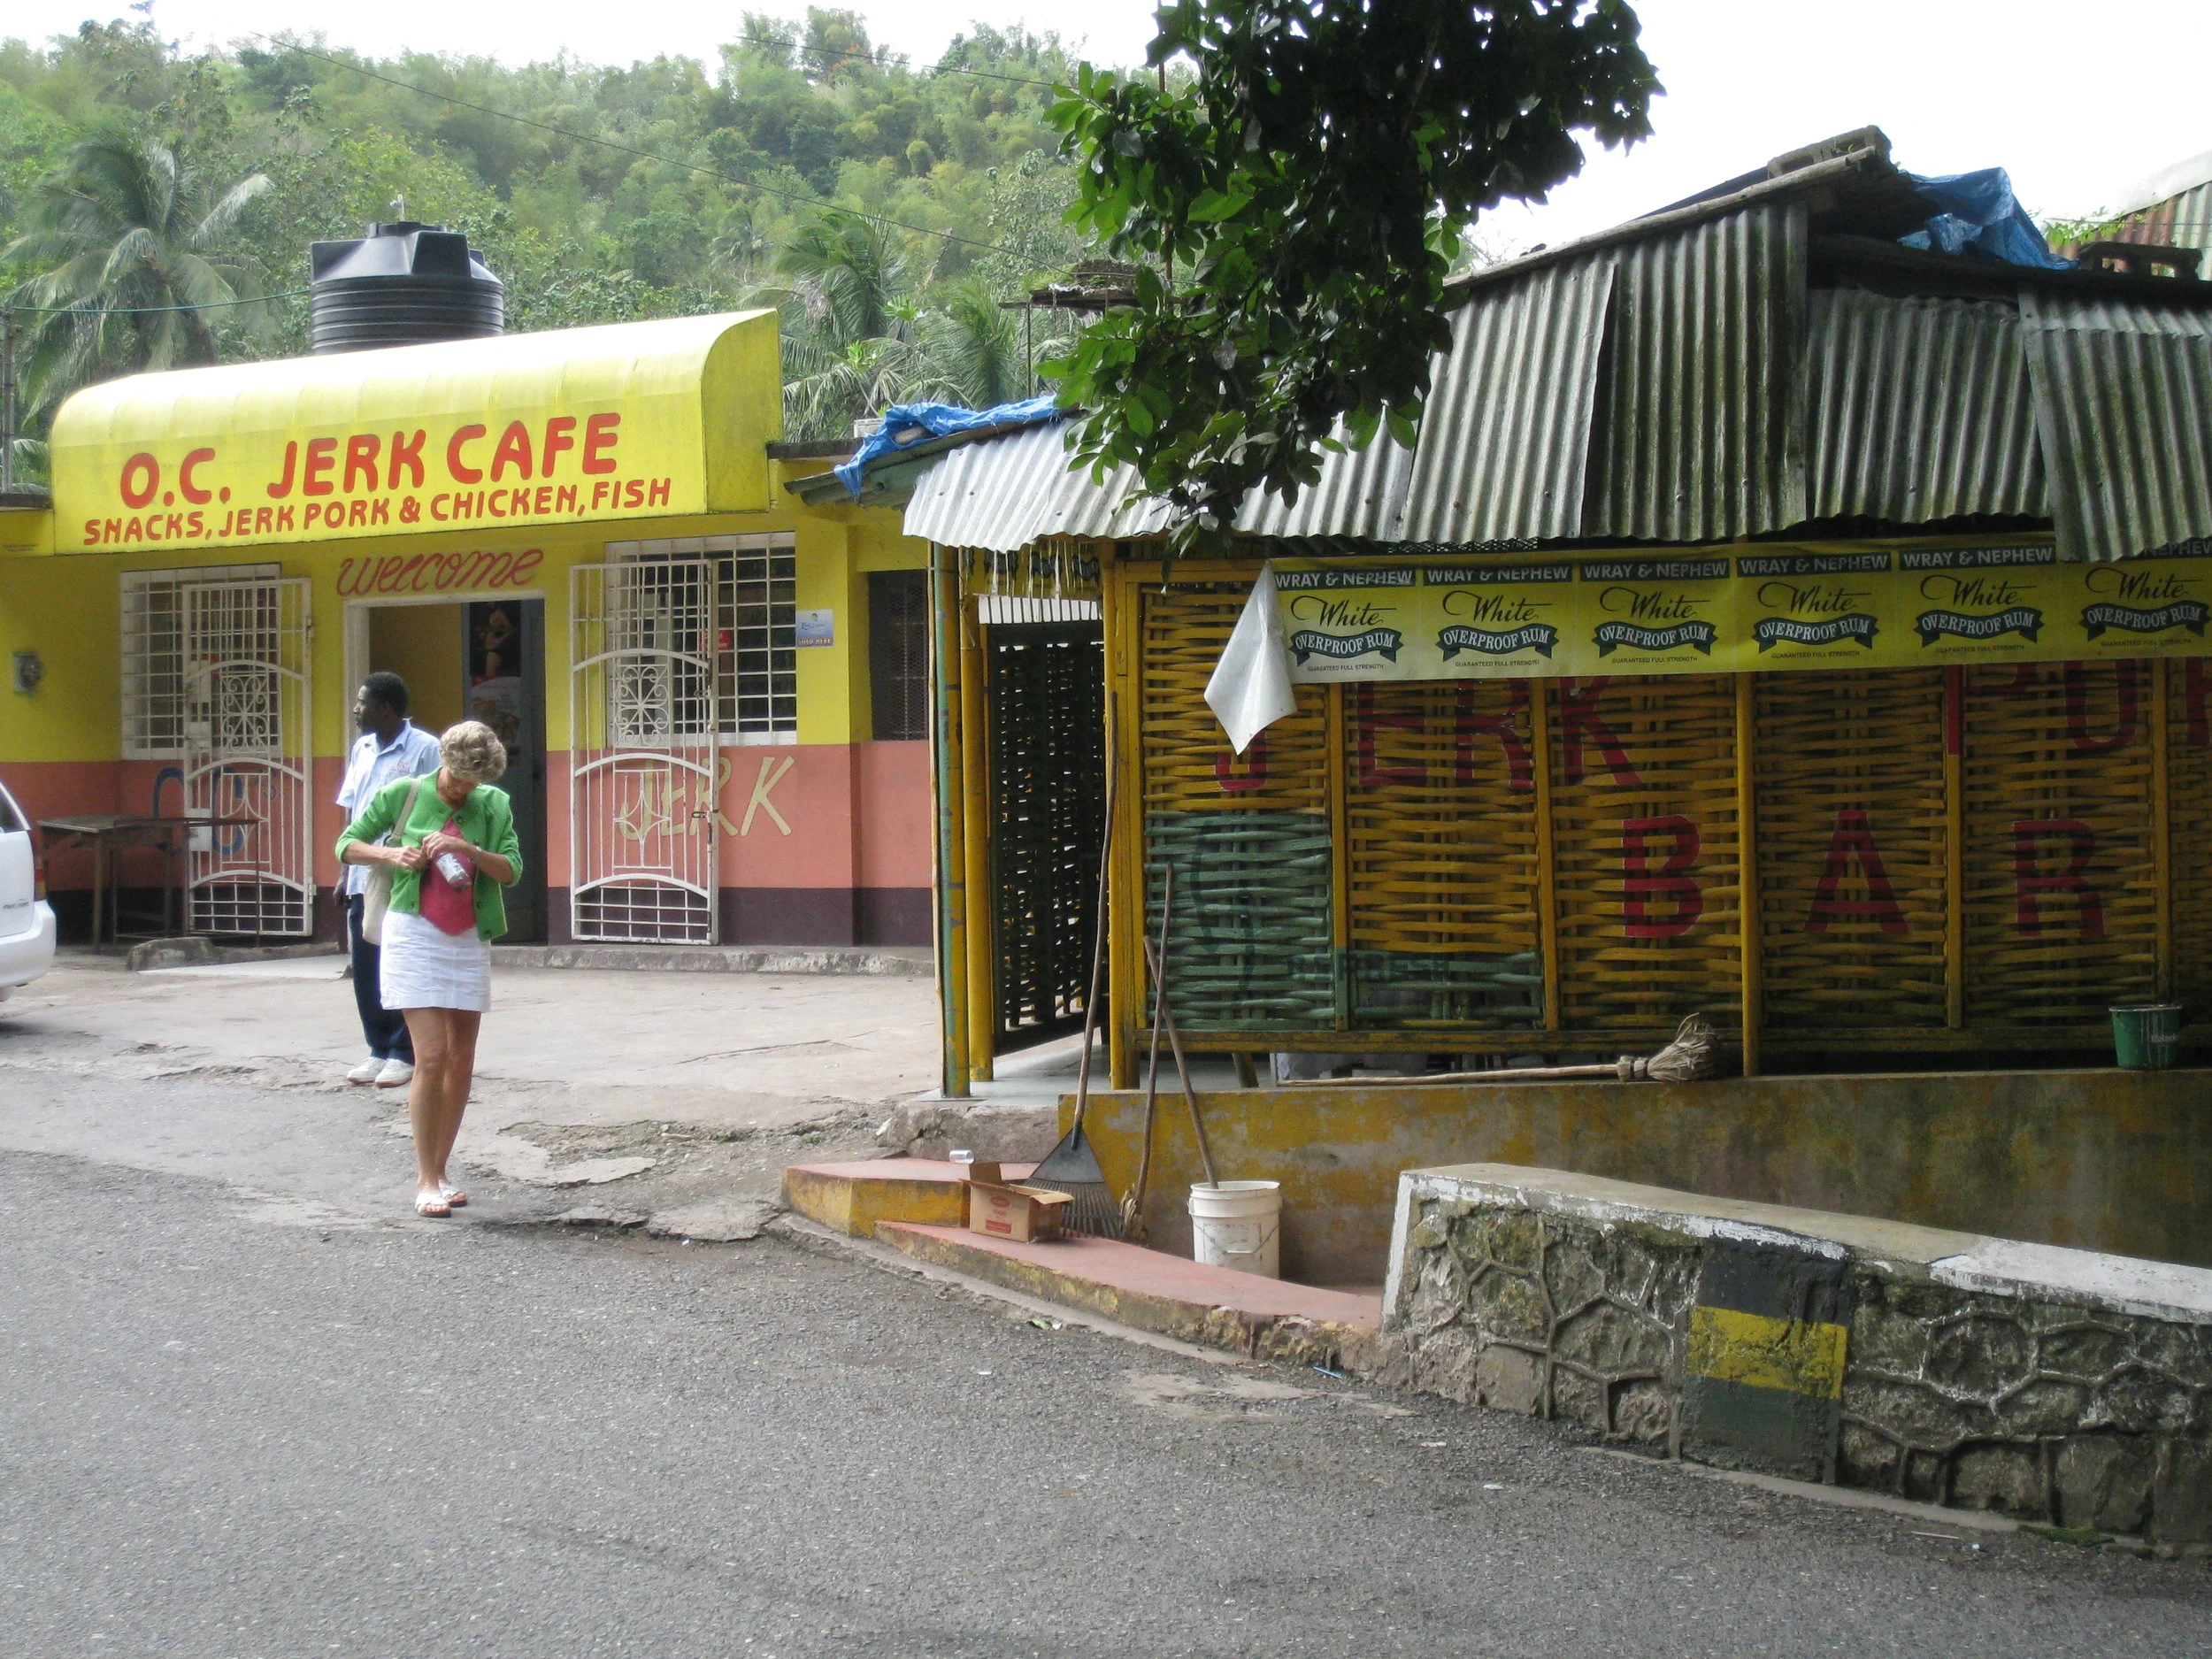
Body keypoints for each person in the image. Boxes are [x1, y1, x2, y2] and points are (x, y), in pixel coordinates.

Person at [336, 721, 523, 1217]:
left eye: (473, 784)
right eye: (458, 780)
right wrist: (392, 853)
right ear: (444, 763)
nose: (463, 790)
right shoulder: (405, 793)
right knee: (433, 1054)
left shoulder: (494, 804)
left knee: (462, 1058)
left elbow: (512, 869)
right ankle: (424, 1178)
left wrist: (470, 851)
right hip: (413, 932)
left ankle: (441, 1171)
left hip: (467, 936)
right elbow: (348, 843)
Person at [334, 672, 441, 1087]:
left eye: (363, 702)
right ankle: (377, 1047)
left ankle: (404, 1051)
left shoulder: (425, 749)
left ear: (386, 707)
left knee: (402, 963)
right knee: (366, 966)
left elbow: (441, 807)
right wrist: (345, 871)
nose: (356, 710)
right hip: (365, 870)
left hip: (406, 873)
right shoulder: (361, 748)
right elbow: (353, 811)